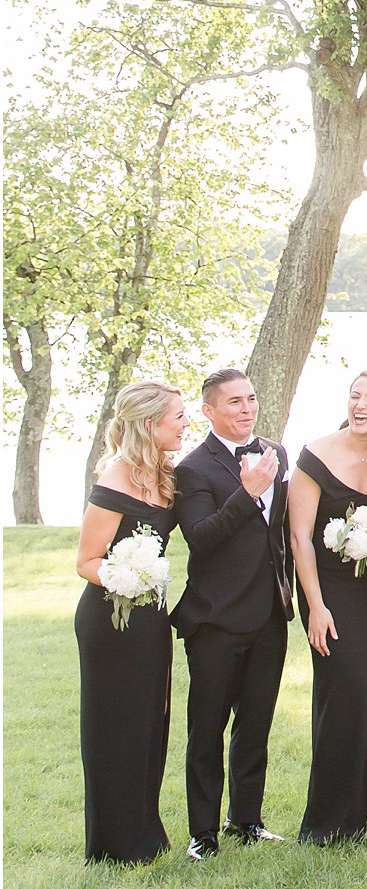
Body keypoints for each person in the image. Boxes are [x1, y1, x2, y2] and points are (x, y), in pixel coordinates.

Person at [171, 365, 294, 860]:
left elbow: (282, 531)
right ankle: (203, 834)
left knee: (256, 724)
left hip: (269, 612)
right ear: (209, 411)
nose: (246, 410)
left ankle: (247, 820)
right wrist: (248, 493)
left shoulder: (275, 454)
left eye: (251, 400)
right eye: (234, 403)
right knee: (207, 728)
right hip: (216, 619)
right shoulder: (192, 469)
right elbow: (200, 539)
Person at [74, 380, 187, 863]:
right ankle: (113, 844)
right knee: (114, 725)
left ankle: (145, 832)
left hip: (151, 619)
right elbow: (85, 561)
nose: (186, 424)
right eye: (179, 416)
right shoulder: (113, 482)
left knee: (150, 721)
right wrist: (128, 577)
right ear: (149, 424)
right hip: (110, 620)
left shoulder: (163, 473)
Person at [287, 369, 367, 843]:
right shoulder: (315, 455)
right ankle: (329, 820)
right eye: (355, 395)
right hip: (329, 590)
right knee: (344, 692)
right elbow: (299, 537)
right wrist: (315, 606)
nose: (361, 404)